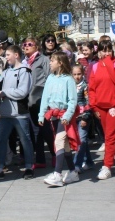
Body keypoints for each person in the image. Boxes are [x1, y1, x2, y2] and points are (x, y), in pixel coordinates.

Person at [0, 45, 34, 180]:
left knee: (25, 140)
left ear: (16, 55)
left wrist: (5, 92)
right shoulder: (7, 71)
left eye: (8, 55)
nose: (6, 57)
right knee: (1, 139)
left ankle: (29, 167)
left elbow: (23, 92)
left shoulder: (25, 71)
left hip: (20, 113)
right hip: (6, 113)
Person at [88, 41, 115, 180]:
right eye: (103, 50)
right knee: (112, 136)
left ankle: (107, 166)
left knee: (110, 136)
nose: (106, 53)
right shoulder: (94, 67)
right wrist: (94, 106)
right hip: (101, 106)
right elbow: (92, 89)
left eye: (109, 50)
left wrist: (108, 62)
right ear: (98, 52)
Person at [40, 52, 79, 187]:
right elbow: (45, 97)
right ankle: (73, 172)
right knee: (65, 145)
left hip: (64, 116)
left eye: (52, 60)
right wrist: (41, 114)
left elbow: (73, 101)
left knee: (59, 142)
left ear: (60, 63)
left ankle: (57, 174)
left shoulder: (69, 79)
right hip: (53, 116)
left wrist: (67, 116)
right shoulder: (50, 78)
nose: (50, 63)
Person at [22, 37, 52, 169]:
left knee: (44, 129)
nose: (26, 46)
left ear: (37, 47)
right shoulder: (23, 62)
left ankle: (55, 154)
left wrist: (49, 97)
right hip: (28, 101)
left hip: (40, 98)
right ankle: (40, 159)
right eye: (24, 44)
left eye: (30, 44)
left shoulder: (43, 59)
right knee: (34, 131)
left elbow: (49, 77)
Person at [72, 64, 94, 173]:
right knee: (82, 140)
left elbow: (89, 102)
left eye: (79, 74)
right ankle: (89, 161)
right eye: (74, 74)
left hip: (83, 116)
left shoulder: (85, 86)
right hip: (73, 116)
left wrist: (85, 117)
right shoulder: (70, 85)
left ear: (83, 74)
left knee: (81, 139)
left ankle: (77, 164)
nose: (77, 76)